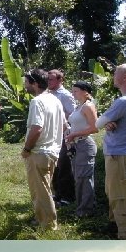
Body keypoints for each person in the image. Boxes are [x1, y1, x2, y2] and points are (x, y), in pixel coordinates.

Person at [96, 64, 126, 239]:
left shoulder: (124, 101)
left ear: (125, 78)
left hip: (120, 155)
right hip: (123, 154)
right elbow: (106, 122)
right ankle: (116, 224)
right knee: (116, 192)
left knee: (122, 195)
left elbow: (97, 123)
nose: (113, 75)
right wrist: (108, 122)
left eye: (116, 73)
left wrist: (104, 122)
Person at [21, 69, 66, 230]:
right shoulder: (55, 100)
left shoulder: (37, 101)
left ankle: (48, 225)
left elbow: (36, 128)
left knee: (41, 192)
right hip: (53, 151)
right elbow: (64, 125)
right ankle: (42, 218)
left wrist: (27, 148)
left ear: (34, 83)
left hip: (39, 152)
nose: (24, 85)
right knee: (45, 189)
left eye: (26, 82)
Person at [65, 81, 98, 217]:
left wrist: (74, 134)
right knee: (79, 177)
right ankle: (82, 207)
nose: (73, 94)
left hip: (85, 145)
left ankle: (86, 211)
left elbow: (94, 128)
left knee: (84, 178)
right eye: (72, 91)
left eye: (76, 91)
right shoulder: (79, 106)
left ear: (86, 92)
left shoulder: (88, 106)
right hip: (77, 145)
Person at [47, 69, 77, 206]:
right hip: (53, 135)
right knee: (55, 166)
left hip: (64, 135)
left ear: (60, 80)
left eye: (51, 79)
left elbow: (73, 115)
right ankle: (58, 193)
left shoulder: (65, 95)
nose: (48, 82)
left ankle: (67, 196)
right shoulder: (49, 94)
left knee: (65, 166)